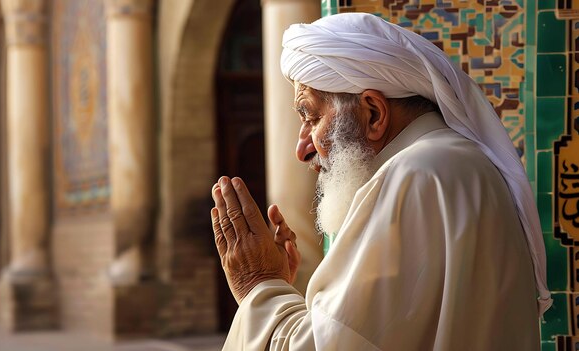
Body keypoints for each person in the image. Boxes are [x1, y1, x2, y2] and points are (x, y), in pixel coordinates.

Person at [210, 13, 550, 350]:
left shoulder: (417, 175)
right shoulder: (453, 164)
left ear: (373, 113)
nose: (302, 149)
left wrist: (258, 283)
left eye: (312, 116)